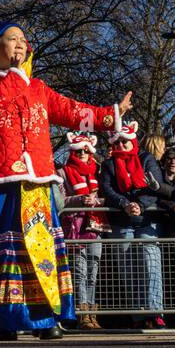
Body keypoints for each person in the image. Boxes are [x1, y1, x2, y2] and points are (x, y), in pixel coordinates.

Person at [0, 18, 132, 340]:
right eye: (12, 39)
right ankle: (3, 320)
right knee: (5, 253)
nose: (20, 44)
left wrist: (110, 114)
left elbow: (73, 112)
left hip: (37, 182)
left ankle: (44, 318)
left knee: (40, 249)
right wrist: (15, 73)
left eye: (23, 40)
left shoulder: (38, 88)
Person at [101, 121, 170, 329]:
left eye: (125, 141)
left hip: (147, 220)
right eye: (118, 142)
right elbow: (107, 189)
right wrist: (124, 204)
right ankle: (139, 315)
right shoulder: (109, 164)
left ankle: (155, 311)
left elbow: (154, 185)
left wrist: (140, 204)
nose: (121, 145)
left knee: (151, 263)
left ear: (132, 141)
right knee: (127, 269)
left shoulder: (146, 159)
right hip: (122, 222)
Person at [60, 132, 107, 330]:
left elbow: (107, 198)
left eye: (86, 150)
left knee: (93, 271)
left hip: (95, 226)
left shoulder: (97, 172)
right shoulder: (63, 172)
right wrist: (80, 199)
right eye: (78, 150)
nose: (82, 153)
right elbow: (60, 201)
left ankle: (92, 314)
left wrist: (95, 201)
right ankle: (82, 315)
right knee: (79, 272)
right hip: (75, 228)